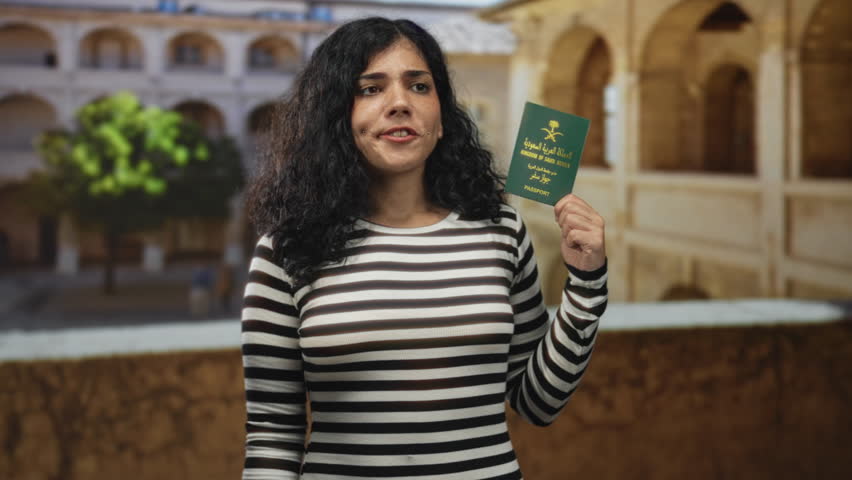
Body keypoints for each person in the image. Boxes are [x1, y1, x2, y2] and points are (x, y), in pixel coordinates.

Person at [240, 17, 608, 479]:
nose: (399, 103)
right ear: (336, 117)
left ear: (442, 116)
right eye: (371, 89)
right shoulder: (286, 249)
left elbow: (538, 403)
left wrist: (587, 286)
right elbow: (273, 432)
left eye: (419, 86)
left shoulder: (502, 231)